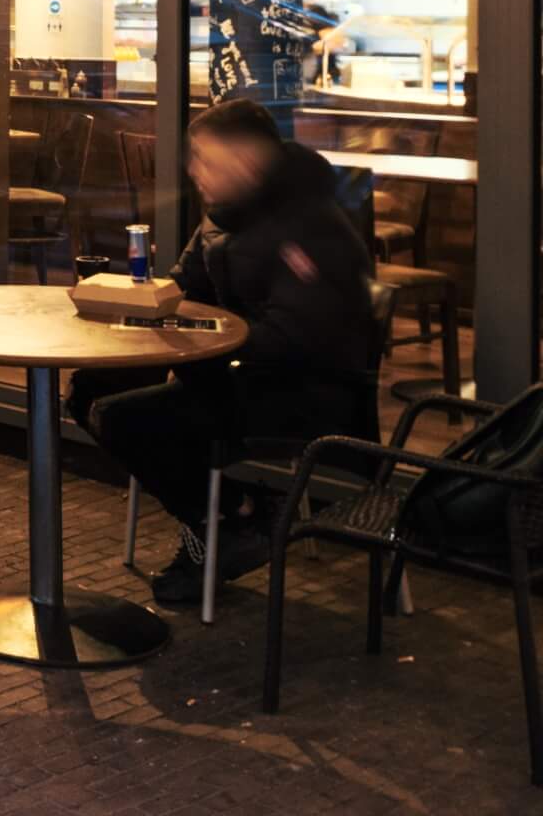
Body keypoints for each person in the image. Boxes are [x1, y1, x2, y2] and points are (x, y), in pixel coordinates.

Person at [87, 97, 376, 608]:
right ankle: (232, 515)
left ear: (247, 162)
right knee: (90, 389)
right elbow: (185, 286)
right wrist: (135, 310)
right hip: (237, 373)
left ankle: (230, 520)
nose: (194, 171)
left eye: (207, 160)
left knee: (123, 418)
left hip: (307, 394)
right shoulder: (223, 217)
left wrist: (197, 349)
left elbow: (295, 337)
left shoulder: (311, 225)